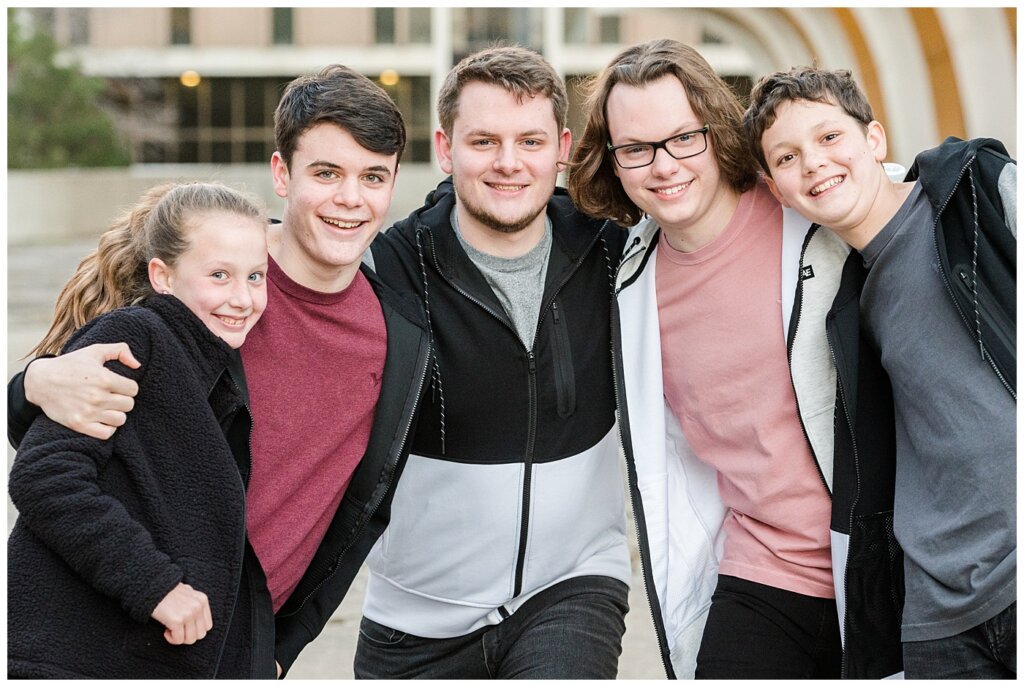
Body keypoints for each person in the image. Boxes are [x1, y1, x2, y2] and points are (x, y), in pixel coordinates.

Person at [7, 65, 431, 678]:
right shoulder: (204, 291)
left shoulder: (399, 336)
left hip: (229, 648)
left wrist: (278, 646)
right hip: (96, 635)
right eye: (326, 173)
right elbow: (56, 442)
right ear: (282, 174)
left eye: (372, 177)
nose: (349, 199)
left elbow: (361, 513)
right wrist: (31, 385)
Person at [568, 39, 886, 679]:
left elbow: (897, 193)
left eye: (683, 137)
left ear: (716, 129)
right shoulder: (628, 278)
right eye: (636, 148)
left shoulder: (804, 209)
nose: (663, 166)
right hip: (761, 568)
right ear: (613, 160)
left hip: (885, 557)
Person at [356, 45, 633, 679]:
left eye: (530, 141)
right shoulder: (387, 270)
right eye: (484, 141)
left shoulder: (613, 256)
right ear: (446, 148)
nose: (509, 164)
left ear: (561, 146)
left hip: (572, 586)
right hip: (416, 617)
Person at [746, 65, 1016, 680]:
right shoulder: (842, 306)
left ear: (874, 140)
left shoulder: (980, 198)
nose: (813, 163)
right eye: (787, 157)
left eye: (829, 138)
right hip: (937, 614)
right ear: (777, 190)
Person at [8, 181, 271, 678]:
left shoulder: (207, 363)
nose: (242, 298)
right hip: (74, 656)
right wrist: (155, 586)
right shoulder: (133, 339)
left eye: (255, 276)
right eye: (219, 275)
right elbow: (44, 477)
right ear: (162, 276)